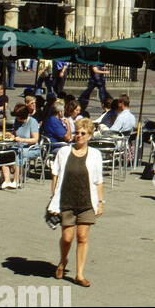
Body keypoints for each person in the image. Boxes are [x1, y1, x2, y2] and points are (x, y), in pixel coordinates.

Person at [50, 118, 104, 287]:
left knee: (82, 237)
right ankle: (63, 260)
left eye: (83, 133)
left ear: (89, 136)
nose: (79, 136)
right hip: (66, 200)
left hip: (86, 201)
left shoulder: (95, 154)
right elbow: (55, 174)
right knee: (67, 237)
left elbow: (98, 181)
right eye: (77, 133)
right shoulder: (64, 152)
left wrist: (101, 202)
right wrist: (53, 198)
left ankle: (79, 274)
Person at [3, 103, 41, 186]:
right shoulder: (17, 121)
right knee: (5, 153)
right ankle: (7, 180)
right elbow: (15, 134)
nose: (16, 118)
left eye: (18, 116)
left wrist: (22, 139)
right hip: (18, 146)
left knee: (18, 154)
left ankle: (17, 180)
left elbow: (35, 139)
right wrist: (11, 135)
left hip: (31, 148)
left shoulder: (32, 122)